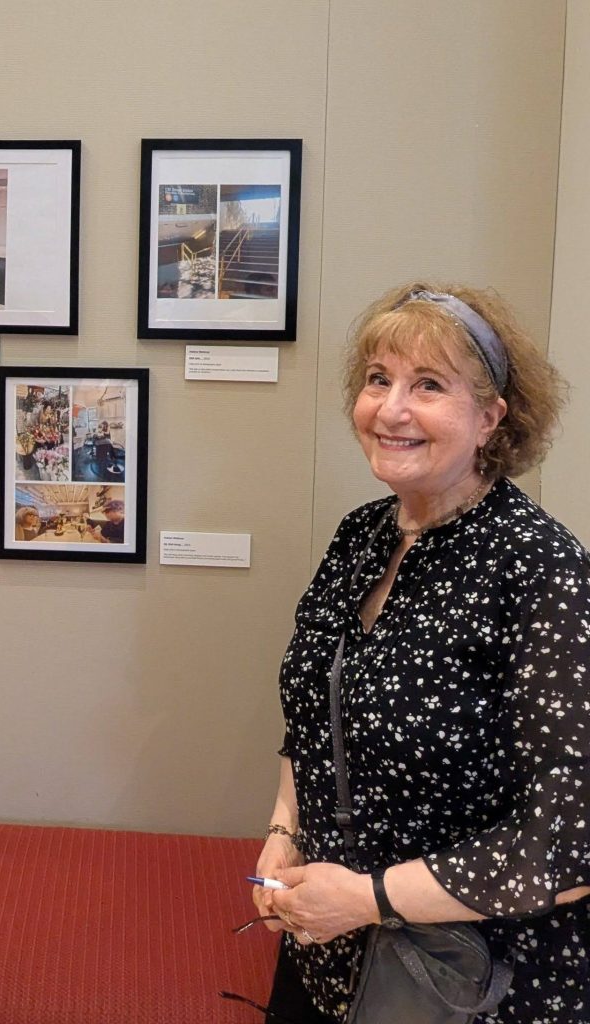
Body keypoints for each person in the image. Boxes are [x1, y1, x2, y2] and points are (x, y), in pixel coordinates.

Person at [252, 283, 590, 1024]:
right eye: (378, 379)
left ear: (491, 417)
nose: (391, 409)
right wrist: (284, 833)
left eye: (428, 385)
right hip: (325, 957)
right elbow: (311, 711)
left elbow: (569, 842)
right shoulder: (359, 536)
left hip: (471, 980)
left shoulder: (540, 568)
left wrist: (369, 899)